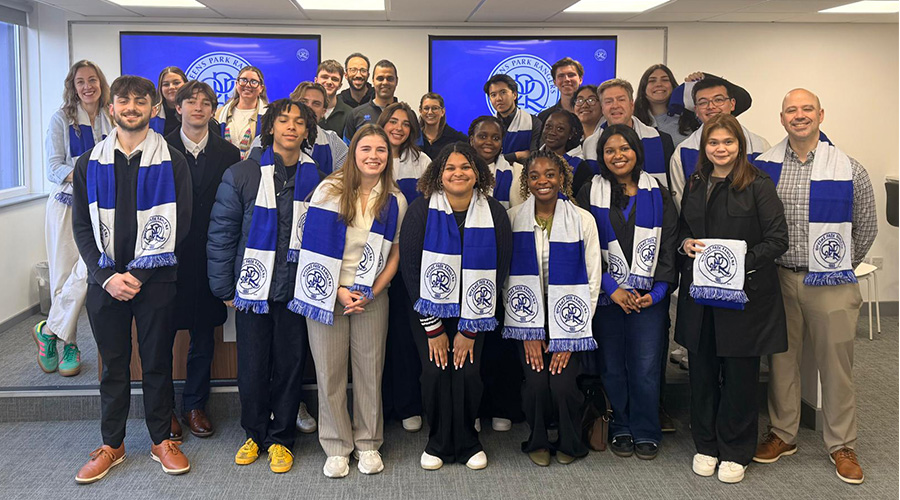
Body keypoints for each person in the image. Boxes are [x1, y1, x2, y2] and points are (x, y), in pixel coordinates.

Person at [752, 89, 877, 485]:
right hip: (778, 277)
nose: (799, 115)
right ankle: (783, 434)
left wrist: (838, 265)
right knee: (782, 360)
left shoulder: (849, 168)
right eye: (792, 110)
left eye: (807, 109)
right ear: (782, 117)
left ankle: (842, 444)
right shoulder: (763, 166)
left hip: (832, 282)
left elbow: (867, 225)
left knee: (835, 367)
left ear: (821, 114)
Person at [71, 75, 192, 482]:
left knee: (157, 363)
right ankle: (113, 444)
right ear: (112, 108)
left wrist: (137, 274)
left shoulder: (172, 160)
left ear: (154, 109)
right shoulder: (88, 162)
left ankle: (161, 440)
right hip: (105, 282)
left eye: (141, 101)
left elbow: (183, 224)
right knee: (114, 367)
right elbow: (82, 229)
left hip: (155, 280)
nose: (132, 108)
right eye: (124, 101)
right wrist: (106, 277)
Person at [208, 99, 323, 473]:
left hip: (295, 291)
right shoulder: (242, 173)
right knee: (253, 367)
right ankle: (254, 434)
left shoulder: (316, 178)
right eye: (283, 120)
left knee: (290, 367)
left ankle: (281, 439)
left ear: (307, 132)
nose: (291, 127)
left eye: (299, 122)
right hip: (251, 291)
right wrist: (224, 286)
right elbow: (222, 234)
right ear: (270, 127)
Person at [675, 113, 788, 484]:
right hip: (702, 295)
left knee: (740, 376)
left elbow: (777, 240)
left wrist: (737, 262)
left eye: (728, 142)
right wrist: (686, 244)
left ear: (740, 145)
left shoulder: (758, 184)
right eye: (713, 143)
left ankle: (737, 450)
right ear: (704, 147)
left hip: (745, 297)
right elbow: (684, 231)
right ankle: (706, 445)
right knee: (703, 373)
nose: (720, 149)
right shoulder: (695, 183)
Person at [293, 124, 406, 479]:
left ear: (389, 157)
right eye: (366, 149)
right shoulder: (329, 190)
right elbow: (310, 248)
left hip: (372, 295)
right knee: (330, 372)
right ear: (353, 153)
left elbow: (395, 254)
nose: (374, 156)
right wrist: (338, 290)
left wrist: (372, 290)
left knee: (370, 372)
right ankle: (336, 446)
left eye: (381, 150)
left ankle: (368, 443)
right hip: (326, 293)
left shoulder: (395, 199)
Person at [400, 141, 512, 470]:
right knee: (435, 372)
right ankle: (438, 441)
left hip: (476, 311)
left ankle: (466, 439)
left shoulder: (494, 212)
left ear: (478, 174)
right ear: (439, 174)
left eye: (465, 167)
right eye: (450, 167)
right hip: (427, 310)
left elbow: (499, 271)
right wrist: (434, 330)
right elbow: (410, 271)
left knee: (468, 371)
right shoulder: (421, 210)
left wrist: (468, 329)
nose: (458, 173)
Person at [576, 125, 678, 461]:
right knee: (613, 366)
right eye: (610, 150)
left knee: (646, 366)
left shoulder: (658, 192)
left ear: (636, 151)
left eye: (625, 148)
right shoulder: (591, 192)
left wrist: (659, 292)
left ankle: (647, 428)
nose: (618, 156)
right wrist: (611, 288)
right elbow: (583, 246)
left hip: (650, 298)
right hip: (608, 298)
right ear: (601, 156)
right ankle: (619, 423)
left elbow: (670, 246)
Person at [504, 150, 601, 466]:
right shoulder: (513, 218)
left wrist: (572, 334)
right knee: (535, 383)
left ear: (562, 178)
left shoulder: (582, 220)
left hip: (570, 316)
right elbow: (505, 279)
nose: (542, 181)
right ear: (526, 181)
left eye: (550, 174)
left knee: (561, 383)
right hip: (527, 316)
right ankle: (538, 440)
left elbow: (593, 279)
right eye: (534, 175)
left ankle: (571, 442)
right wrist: (526, 328)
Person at [164, 80, 241, 439]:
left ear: (213, 111)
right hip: (167, 260)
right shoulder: (159, 148)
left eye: (206, 102)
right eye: (190, 102)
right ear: (177, 107)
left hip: (211, 257)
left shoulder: (227, 153)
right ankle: (164, 409)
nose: (198, 107)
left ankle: (195, 404)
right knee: (160, 338)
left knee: (203, 337)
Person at [35, 60, 113, 379]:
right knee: (63, 275)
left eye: (92, 80)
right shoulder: (60, 118)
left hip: (102, 207)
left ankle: (49, 329)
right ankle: (69, 343)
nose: (87, 86)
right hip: (67, 204)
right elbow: (53, 166)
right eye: (80, 81)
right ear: (73, 86)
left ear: (100, 83)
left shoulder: (112, 115)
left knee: (86, 272)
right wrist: (84, 175)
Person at [376, 102, 429, 433]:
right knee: (375, 339)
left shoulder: (422, 162)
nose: (398, 127)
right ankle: (381, 406)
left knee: (405, 335)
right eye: (392, 121)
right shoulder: (368, 155)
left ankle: (408, 403)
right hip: (372, 262)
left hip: (409, 259)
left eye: (406, 123)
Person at [669, 76, 767, 208]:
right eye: (703, 102)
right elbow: (682, 204)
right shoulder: (683, 152)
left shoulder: (760, 147)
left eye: (718, 100)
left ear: (732, 104)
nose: (711, 106)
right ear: (696, 110)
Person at [291, 81, 349, 175]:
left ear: (323, 112)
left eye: (316, 103)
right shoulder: (271, 138)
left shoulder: (334, 142)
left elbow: (343, 181)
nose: (309, 107)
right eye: (303, 102)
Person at [468, 115, 525, 209]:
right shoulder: (459, 170)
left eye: (495, 138)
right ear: (472, 140)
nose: (489, 142)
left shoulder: (517, 173)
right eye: (482, 137)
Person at [484, 74, 542, 165]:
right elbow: (486, 160)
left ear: (514, 95)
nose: (498, 98)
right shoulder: (486, 127)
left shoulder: (533, 122)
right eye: (493, 95)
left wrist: (503, 159)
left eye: (503, 92)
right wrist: (517, 155)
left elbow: (535, 157)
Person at [633, 64, 695, 147]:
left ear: (673, 86)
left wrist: (698, 83)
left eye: (665, 80)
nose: (659, 84)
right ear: (643, 89)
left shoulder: (690, 117)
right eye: (652, 81)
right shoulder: (634, 121)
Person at [216, 65, 268, 159]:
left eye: (253, 82)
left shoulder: (269, 115)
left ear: (261, 88)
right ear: (236, 84)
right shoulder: (220, 113)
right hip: (224, 169)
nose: (248, 85)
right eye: (243, 80)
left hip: (255, 169)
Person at [343, 59, 399, 142]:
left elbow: (416, 149)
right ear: (373, 81)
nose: (385, 82)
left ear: (396, 81)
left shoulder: (406, 115)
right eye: (380, 78)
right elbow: (347, 149)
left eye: (390, 79)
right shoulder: (356, 114)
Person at [537, 57, 585, 126]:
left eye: (571, 75)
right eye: (561, 76)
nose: (566, 79)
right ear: (554, 82)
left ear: (580, 79)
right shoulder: (544, 116)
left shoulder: (592, 113)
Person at [419, 92, 467, 159]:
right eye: (426, 108)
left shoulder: (457, 139)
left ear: (442, 112)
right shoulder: (414, 137)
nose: (430, 112)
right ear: (420, 111)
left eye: (435, 108)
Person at [316, 59, 353, 136]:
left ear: (340, 85)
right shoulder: (305, 111)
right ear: (316, 81)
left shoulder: (350, 114)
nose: (329, 82)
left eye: (334, 79)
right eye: (324, 77)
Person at [151, 67, 187, 137]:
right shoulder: (152, 115)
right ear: (160, 88)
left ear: (186, 84)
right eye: (166, 84)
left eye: (176, 83)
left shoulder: (197, 111)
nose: (171, 87)